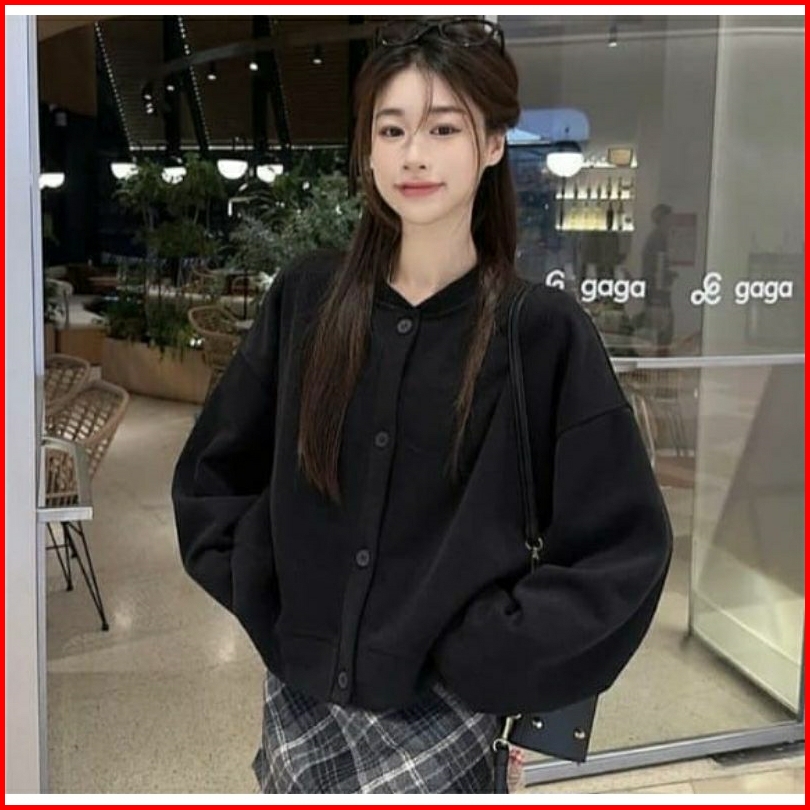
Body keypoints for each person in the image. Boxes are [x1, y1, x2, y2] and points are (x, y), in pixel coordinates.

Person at [172, 17, 672, 794]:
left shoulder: (537, 332)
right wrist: (272, 592)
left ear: (493, 143)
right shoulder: (308, 299)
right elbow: (213, 476)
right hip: (303, 706)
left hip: (448, 720)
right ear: (367, 148)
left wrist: (495, 652)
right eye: (391, 128)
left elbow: (623, 548)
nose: (413, 154)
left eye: (443, 128)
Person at [639, 203, 677, 349]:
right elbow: (657, 266)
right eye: (670, 218)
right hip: (656, 290)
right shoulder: (658, 239)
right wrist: (663, 280)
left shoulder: (658, 237)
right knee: (662, 324)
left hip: (655, 288)